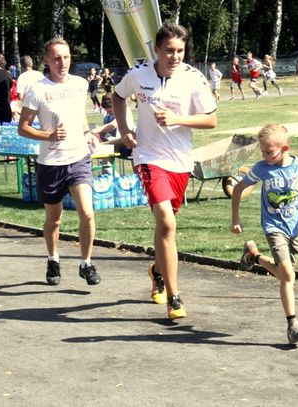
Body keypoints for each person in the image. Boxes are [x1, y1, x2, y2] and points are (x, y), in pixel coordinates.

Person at [112, 22, 217, 320]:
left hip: (180, 162)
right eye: (169, 50)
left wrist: (176, 118)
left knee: (165, 228)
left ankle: (157, 269)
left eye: (180, 51)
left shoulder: (193, 79)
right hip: (148, 158)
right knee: (167, 224)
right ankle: (175, 297)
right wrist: (125, 129)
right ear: (156, 49)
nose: (175, 57)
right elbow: (118, 97)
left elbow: (211, 120)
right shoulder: (138, 75)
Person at [230, 123, 298, 344]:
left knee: (284, 275)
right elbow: (238, 189)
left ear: (284, 148)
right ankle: (293, 325)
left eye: (268, 151)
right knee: (288, 276)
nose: (264, 155)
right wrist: (236, 218)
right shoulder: (263, 168)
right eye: (262, 151)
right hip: (273, 227)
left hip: (295, 229)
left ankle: (253, 256)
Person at [17, 38, 101, 286]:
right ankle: (53, 258)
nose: (62, 62)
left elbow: (79, 116)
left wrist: (87, 133)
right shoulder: (37, 89)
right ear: (46, 61)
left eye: (65, 57)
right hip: (51, 163)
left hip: (78, 159)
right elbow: (23, 128)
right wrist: (48, 136)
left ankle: (86, 263)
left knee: (87, 213)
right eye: (56, 58)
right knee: (54, 219)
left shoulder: (80, 84)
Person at [90, 92, 135, 173]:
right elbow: (104, 132)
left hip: (127, 144)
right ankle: (109, 179)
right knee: (104, 156)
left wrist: (94, 131)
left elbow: (114, 124)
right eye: (107, 112)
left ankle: (113, 180)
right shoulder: (108, 116)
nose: (108, 113)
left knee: (104, 149)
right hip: (115, 145)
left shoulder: (124, 110)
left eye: (110, 111)